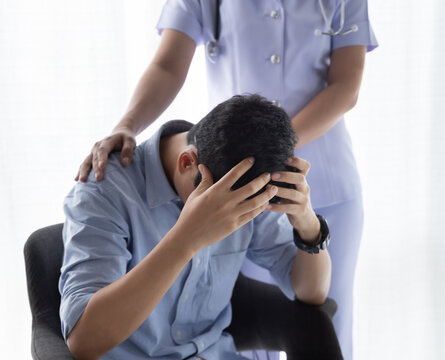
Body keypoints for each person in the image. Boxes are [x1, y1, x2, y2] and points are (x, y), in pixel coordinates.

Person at [75, 1, 378, 358]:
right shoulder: (110, 190)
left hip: (277, 169)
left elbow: (347, 85)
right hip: (234, 162)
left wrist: (272, 165)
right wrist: (127, 124)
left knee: (327, 321)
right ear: (189, 162)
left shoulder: (252, 193)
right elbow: (167, 65)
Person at [60, 95, 339, 359]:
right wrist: (185, 240)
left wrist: (307, 223)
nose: (239, 216)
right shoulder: (103, 191)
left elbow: (311, 293)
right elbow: (84, 341)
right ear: (187, 162)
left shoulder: (247, 179)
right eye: (227, 208)